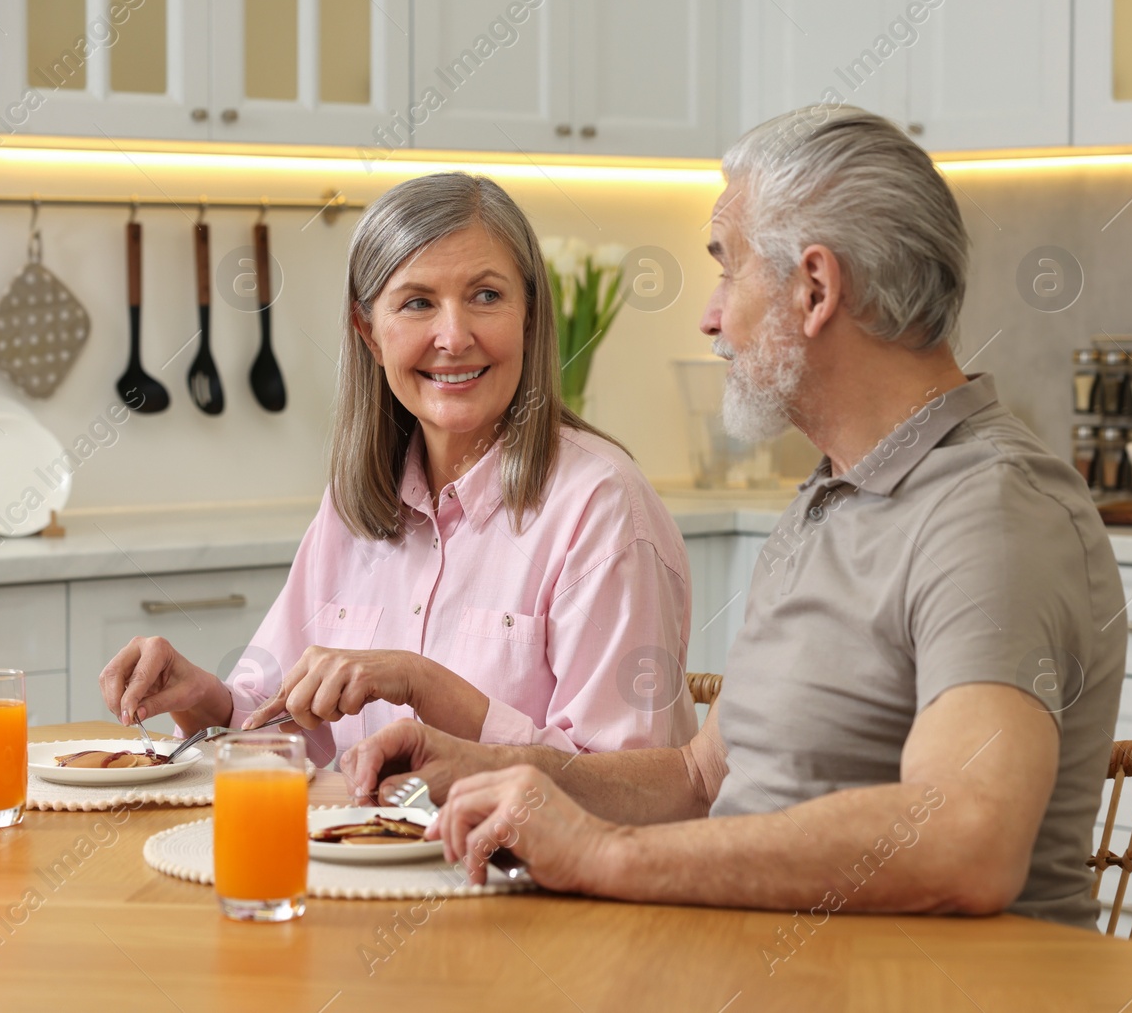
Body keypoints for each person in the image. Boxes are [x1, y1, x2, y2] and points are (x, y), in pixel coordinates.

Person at [342, 106, 1127, 931]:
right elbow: (697, 777)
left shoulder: (991, 511)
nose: (710, 318)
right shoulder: (834, 497)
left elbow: (968, 840)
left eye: (728, 272)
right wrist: (482, 768)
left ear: (815, 289)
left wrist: (606, 855)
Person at [101, 172, 697, 766]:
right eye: (417, 303)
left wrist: (423, 684)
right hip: (356, 853)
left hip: (511, 864)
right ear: (370, 333)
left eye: (487, 296)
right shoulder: (355, 504)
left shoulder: (602, 506)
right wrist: (205, 698)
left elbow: (630, 792)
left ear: (530, 316)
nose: (454, 336)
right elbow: (280, 729)